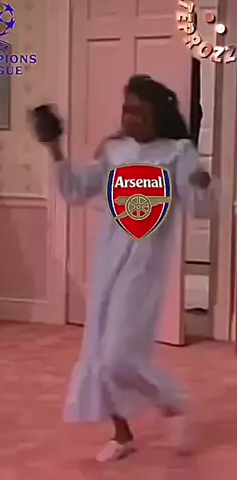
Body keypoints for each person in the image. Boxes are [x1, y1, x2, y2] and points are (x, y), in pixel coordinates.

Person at [38, 75, 214, 462]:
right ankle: (122, 434)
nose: (130, 118)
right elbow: (75, 191)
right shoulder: (114, 150)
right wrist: (54, 148)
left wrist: (202, 183)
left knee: (119, 355)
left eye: (139, 111)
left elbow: (201, 207)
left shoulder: (178, 152)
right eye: (126, 110)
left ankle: (173, 401)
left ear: (157, 114)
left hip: (144, 268)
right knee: (99, 354)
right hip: (107, 263)